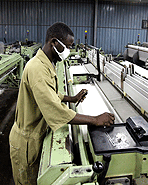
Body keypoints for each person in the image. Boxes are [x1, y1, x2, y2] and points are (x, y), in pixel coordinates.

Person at [9, 22, 115, 185]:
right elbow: (55, 110)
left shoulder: (47, 63)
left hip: (34, 135)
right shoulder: (38, 69)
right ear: (54, 42)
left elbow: (49, 94)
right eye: (67, 47)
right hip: (27, 141)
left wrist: (70, 99)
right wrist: (94, 119)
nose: (69, 51)